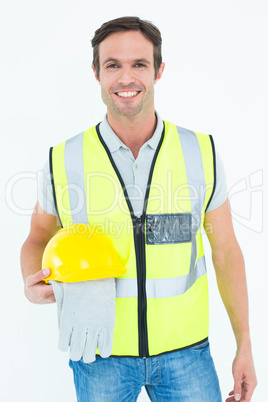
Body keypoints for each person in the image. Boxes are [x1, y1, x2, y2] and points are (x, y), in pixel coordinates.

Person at [21, 16, 257, 402]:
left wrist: (244, 343)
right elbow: (37, 238)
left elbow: (227, 251)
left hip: (188, 355)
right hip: (100, 356)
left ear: (159, 71)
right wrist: (32, 283)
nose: (125, 78)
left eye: (139, 64)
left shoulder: (201, 152)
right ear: (96, 72)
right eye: (113, 64)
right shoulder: (63, 159)